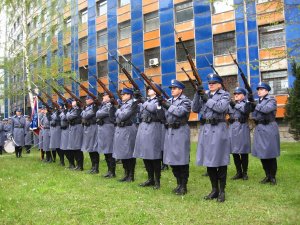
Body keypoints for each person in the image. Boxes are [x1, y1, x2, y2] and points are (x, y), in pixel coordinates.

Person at [192, 73, 230, 202]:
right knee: (209, 160)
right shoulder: (205, 94)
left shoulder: (224, 94)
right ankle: (214, 189)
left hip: (219, 128)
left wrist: (207, 98)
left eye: (213, 82)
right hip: (206, 129)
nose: (211, 84)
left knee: (220, 160)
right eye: (209, 83)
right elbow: (195, 108)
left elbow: (221, 108)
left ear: (219, 84)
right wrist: (198, 93)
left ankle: (222, 191)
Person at [159, 79, 191, 195]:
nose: (172, 90)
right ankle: (178, 183)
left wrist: (167, 105)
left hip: (180, 131)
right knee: (172, 159)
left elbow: (179, 112)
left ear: (180, 90)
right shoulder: (169, 100)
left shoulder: (186, 101)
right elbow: (162, 117)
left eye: (174, 88)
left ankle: (184, 185)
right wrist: (159, 106)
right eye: (171, 88)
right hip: (170, 131)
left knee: (181, 159)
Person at [133, 84, 164, 189]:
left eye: (150, 89)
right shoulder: (146, 100)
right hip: (143, 127)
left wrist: (142, 101)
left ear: (156, 91)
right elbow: (136, 110)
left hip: (153, 127)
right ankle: (150, 178)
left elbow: (152, 109)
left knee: (154, 156)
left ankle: (157, 181)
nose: (148, 90)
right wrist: (136, 98)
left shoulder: (158, 100)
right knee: (145, 154)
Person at [251, 82, 280, 185]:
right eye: (258, 89)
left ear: (267, 91)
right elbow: (254, 115)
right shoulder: (259, 101)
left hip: (269, 128)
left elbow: (267, 110)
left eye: (261, 89)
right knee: (262, 154)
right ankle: (267, 175)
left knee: (270, 153)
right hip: (260, 128)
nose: (259, 91)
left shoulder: (271, 100)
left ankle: (273, 177)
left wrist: (256, 106)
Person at [113, 88, 138, 182]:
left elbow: (123, 116)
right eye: (122, 94)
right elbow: (117, 116)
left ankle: (131, 175)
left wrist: (118, 110)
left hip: (128, 129)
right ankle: (126, 174)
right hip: (121, 129)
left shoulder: (132, 103)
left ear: (129, 95)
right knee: (122, 152)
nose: (122, 96)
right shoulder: (123, 104)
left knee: (129, 153)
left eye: (124, 94)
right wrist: (119, 111)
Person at [228, 87, 251, 180]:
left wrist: (234, 105)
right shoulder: (231, 104)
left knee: (243, 151)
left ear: (243, 95)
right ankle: (239, 172)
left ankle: (245, 172)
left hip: (242, 127)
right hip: (233, 128)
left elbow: (246, 110)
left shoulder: (247, 103)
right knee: (234, 151)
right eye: (235, 94)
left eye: (238, 93)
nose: (236, 95)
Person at [95, 92, 117, 178]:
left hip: (108, 129)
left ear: (109, 97)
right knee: (106, 151)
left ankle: (112, 172)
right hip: (103, 129)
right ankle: (109, 171)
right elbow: (98, 114)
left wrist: (99, 113)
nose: (103, 97)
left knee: (109, 151)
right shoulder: (104, 106)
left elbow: (98, 114)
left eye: (105, 96)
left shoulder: (110, 106)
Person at [81, 95, 99, 174]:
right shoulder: (88, 107)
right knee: (89, 148)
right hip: (87, 128)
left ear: (92, 100)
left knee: (93, 148)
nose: (86, 100)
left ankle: (96, 168)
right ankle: (93, 166)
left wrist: (84, 112)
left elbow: (85, 115)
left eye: (88, 99)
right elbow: (82, 115)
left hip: (92, 127)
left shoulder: (94, 107)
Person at [66, 99, 83, 171]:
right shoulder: (73, 110)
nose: (72, 102)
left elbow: (68, 117)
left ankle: (80, 165)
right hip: (73, 128)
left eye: (73, 101)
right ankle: (77, 165)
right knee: (73, 147)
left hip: (77, 128)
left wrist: (68, 113)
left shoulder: (77, 110)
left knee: (77, 147)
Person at [49, 101, 63, 166]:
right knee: (56, 146)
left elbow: (55, 118)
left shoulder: (61, 112)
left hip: (58, 129)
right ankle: (61, 160)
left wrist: (52, 114)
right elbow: (51, 119)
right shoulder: (56, 112)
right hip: (54, 129)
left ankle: (62, 160)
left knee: (58, 146)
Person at [60, 99, 73, 168]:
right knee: (63, 148)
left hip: (68, 130)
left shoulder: (70, 111)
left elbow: (68, 118)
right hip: (63, 131)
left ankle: (72, 163)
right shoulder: (64, 111)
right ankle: (70, 163)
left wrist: (65, 112)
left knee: (67, 148)